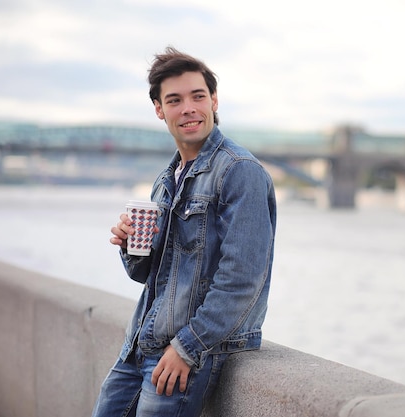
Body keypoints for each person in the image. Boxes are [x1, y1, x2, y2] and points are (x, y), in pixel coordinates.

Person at [92, 47, 276, 417]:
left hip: (188, 354)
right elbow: (147, 274)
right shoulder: (166, 180)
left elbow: (243, 279)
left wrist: (187, 348)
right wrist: (131, 245)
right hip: (138, 347)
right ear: (160, 110)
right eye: (174, 100)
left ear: (214, 100)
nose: (188, 108)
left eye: (198, 96)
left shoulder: (240, 171)